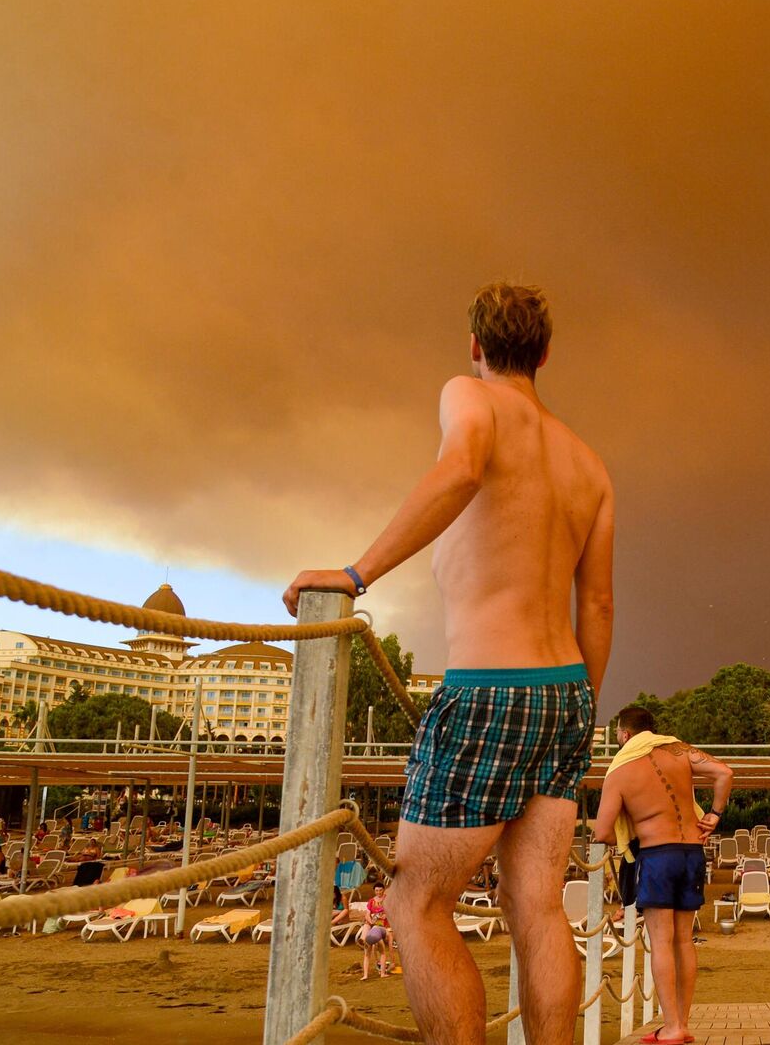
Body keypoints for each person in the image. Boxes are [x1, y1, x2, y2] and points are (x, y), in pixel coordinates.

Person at [285, 282, 614, 1045]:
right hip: (566, 694)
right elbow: (596, 607)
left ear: (475, 346)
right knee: (535, 906)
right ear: (546, 353)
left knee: (416, 903)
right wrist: (577, 715)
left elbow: (463, 469)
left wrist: (356, 574)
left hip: (490, 687)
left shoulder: (468, 395)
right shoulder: (590, 464)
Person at [591, 706, 733, 1045]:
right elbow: (724, 773)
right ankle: (681, 1023)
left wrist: (626, 840)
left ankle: (671, 1028)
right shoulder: (678, 750)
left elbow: (601, 831)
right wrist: (714, 814)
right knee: (684, 940)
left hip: (657, 855)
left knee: (661, 943)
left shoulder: (621, 769)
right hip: (691, 853)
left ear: (624, 734)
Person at [359, 883, 398, 980]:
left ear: (383, 890)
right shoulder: (371, 901)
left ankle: (367, 974)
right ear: (374, 891)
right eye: (376, 890)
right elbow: (367, 914)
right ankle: (363, 939)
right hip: (374, 925)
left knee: (369, 953)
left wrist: (387, 915)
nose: (378, 892)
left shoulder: (388, 900)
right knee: (367, 926)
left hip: (384, 925)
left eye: (380, 890)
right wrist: (370, 920)